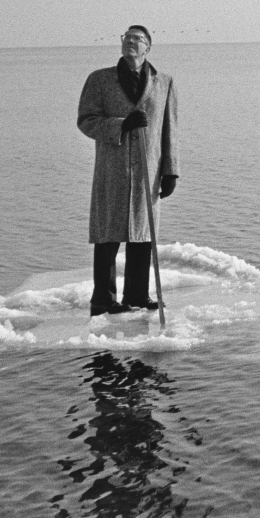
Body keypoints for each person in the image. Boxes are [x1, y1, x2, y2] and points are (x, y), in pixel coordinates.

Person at [78, 25, 180, 316]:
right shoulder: (99, 80)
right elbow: (86, 121)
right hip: (113, 169)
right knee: (107, 235)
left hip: (149, 169)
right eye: (127, 38)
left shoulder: (164, 82)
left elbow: (170, 129)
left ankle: (136, 295)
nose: (131, 43)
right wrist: (121, 124)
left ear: (148, 47)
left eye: (138, 39)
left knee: (142, 235)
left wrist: (171, 170)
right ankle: (104, 300)